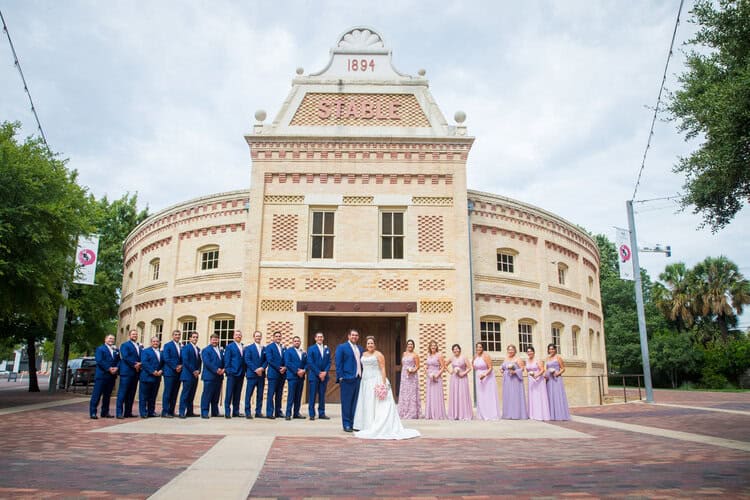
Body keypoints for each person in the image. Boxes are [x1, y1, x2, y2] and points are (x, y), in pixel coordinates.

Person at [353, 336, 420, 440]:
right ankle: (367, 424)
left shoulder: (379, 355)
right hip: (365, 381)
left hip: (376, 380)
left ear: (375, 345)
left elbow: (383, 368)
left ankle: (376, 424)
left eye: (372, 343)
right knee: (367, 403)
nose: (370, 345)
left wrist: (383, 384)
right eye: (368, 343)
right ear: (366, 345)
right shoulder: (364, 354)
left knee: (377, 404)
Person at [335, 328, 363, 432]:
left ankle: (353, 423)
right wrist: (341, 377)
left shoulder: (360, 348)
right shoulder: (342, 347)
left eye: (356, 335)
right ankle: (346, 424)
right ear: (349, 336)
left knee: (356, 403)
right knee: (346, 403)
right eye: (353, 335)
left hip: (358, 379)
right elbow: (338, 363)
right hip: (346, 379)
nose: (354, 337)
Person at [89, 334, 119, 419]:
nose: (111, 340)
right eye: (110, 338)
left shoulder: (116, 350)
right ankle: (93, 412)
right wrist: (109, 368)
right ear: (105, 339)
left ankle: (105, 412)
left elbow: (118, 360)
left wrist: (116, 368)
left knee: (107, 395)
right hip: (102, 375)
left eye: (113, 339)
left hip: (112, 376)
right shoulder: (100, 349)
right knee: (97, 395)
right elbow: (99, 361)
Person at [115, 329, 141, 419]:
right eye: (133, 334)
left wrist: (140, 364)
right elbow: (125, 357)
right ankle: (119, 413)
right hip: (126, 372)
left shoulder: (138, 346)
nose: (135, 335)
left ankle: (128, 412)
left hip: (136, 373)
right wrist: (135, 364)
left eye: (136, 334)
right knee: (122, 393)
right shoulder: (125, 345)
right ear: (129, 335)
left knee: (131, 393)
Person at [306, 331, 331, 420]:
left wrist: (325, 372)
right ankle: (312, 414)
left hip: (324, 376)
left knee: (322, 395)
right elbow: (310, 362)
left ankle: (322, 413)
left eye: (321, 337)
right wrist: (319, 373)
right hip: (314, 376)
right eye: (318, 337)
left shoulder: (327, 349)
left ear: (323, 338)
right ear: (315, 338)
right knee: (312, 395)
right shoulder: (311, 348)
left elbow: (329, 362)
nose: (320, 338)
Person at [200, 333, 225, 418]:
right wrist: (216, 369)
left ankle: (215, 412)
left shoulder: (221, 350)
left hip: (219, 377)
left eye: (216, 339)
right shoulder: (206, 350)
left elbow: (223, 361)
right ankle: (204, 412)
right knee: (207, 395)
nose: (215, 341)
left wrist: (223, 369)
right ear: (210, 340)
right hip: (209, 376)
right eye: (213, 339)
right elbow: (207, 362)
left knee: (216, 396)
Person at [500, 344, 528, 420]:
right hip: (507, 380)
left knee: (514, 396)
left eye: (512, 349)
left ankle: (516, 414)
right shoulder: (506, 359)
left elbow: (522, 369)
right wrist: (501, 369)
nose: (510, 351)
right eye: (509, 349)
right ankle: (508, 414)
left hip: (515, 380)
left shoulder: (518, 359)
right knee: (508, 395)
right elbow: (502, 367)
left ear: (515, 351)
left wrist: (515, 372)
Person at [473, 342, 500, 420]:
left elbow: (490, 368)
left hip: (487, 377)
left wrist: (484, 375)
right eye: (477, 347)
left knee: (487, 394)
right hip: (478, 377)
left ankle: (490, 413)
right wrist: (478, 372)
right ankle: (482, 413)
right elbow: (474, 366)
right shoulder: (475, 356)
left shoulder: (486, 356)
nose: (479, 349)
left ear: (483, 348)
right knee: (480, 395)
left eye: (480, 347)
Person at [138, 336, 163, 418]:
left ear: (159, 343)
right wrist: (153, 371)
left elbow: (163, 363)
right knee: (144, 396)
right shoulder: (145, 351)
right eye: (154, 341)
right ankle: (143, 412)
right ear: (151, 342)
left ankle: (151, 412)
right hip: (146, 377)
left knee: (153, 396)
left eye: (157, 341)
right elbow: (144, 363)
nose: (155, 343)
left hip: (157, 378)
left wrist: (161, 371)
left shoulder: (161, 352)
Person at [243, 330, 266, 419]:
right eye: (256, 336)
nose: (258, 337)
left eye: (259, 336)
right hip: (252, 374)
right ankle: (248, 412)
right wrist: (256, 369)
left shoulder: (264, 348)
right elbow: (247, 360)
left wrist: (262, 368)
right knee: (249, 394)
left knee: (260, 394)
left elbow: (266, 360)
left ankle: (258, 412)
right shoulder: (249, 348)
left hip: (261, 375)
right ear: (254, 337)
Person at [178, 331, 201, 418]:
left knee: (192, 394)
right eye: (193, 337)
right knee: (185, 394)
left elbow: (199, 362)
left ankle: (190, 412)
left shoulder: (198, 349)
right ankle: (181, 412)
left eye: (196, 337)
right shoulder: (186, 348)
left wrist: (198, 370)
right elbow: (185, 361)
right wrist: (193, 371)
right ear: (190, 338)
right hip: (187, 375)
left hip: (195, 375)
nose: (195, 338)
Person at [283, 335, 307, 420]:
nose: (297, 342)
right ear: (293, 342)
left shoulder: (303, 352)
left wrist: (304, 370)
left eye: (298, 341)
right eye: (295, 341)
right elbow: (288, 363)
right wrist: (297, 371)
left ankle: (296, 413)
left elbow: (306, 362)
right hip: (292, 376)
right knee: (291, 396)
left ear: (300, 342)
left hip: (301, 377)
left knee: (298, 396)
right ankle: (288, 414)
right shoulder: (288, 351)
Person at [161, 329, 183, 418]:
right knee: (168, 392)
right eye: (176, 334)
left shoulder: (181, 346)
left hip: (178, 373)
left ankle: (171, 411)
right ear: (172, 336)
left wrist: (181, 366)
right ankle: (165, 411)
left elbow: (182, 358)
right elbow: (166, 358)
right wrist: (175, 367)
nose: (177, 336)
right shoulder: (167, 345)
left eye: (179, 335)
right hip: (169, 373)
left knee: (175, 393)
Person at [545, 343, 570, 420]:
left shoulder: (558, 358)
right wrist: (546, 374)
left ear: (555, 349)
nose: (551, 350)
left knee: (557, 396)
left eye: (552, 349)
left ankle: (560, 414)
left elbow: (563, 368)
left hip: (556, 379)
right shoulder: (547, 359)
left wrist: (557, 373)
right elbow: (546, 369)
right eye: (550, 349)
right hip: (549, 380)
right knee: (550, 395)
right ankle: (552, 414)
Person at [264, 331, 286, 419]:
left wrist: (285, 367)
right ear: (273, 338)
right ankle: (269, 412)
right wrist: (279, 368)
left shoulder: (283, 348)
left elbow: (286, 359)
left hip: (282, 374)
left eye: (279, 336)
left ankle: (278, 411)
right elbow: (270, 360)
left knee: (279, 394)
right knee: (271, 394)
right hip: (273, 374)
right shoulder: (269, 347)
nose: (278, 338)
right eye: (276, 336)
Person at [447, 344, 473, 420]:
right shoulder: (452, 358)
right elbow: (445, 365)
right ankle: (455, 414)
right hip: (454, 378)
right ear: (452, 351)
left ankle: (463, 414)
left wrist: (463, 373)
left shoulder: (464, 357)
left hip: (462, 378)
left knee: (462, 395)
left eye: (457, 349)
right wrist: (450, 371)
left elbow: (469, 368)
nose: (456, 350)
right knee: (455, 394)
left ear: (460, 349)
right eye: (454, 349)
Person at [223, 330, 245, 418]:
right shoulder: (229, 346)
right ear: (233, 336)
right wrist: (228, 371)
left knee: (237, 393)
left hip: (241, 373)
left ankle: (236, 411)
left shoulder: (243, 346)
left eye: (240, 335)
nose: (238, 336)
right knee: (229, 393)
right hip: (232, 373)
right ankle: (227, 412)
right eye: (237, 335)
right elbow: (227, 360)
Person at [424, 340, 447, 420]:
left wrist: (437, 375)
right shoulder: (428, 355)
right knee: (430, 395)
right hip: (429, 377)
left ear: (437, 347)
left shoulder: (439, 355)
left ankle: (438, 414)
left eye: (434, 345)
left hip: (437, 377)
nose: (433, 347)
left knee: (436, 395)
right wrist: (428, 374)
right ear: (429, 347)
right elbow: (426, 367)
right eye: (431, 345)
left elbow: (443, 367)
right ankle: (430, 414)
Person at [397, 339, 420, 419]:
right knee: (404, 392)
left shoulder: (415, 355)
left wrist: (412, 370)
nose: (410, 345)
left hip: (412, 376)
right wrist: (406, 370)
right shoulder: (404, 354)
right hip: (404, 375)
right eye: (409, 344)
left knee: (411, 393)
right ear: (407, 345)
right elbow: (403, 364)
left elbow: (417, 366)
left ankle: (412, 412)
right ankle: (403, 411)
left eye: (411, 344)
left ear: (413, 346)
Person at [525, 346, 550, 421]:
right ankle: (532, 414)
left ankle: (540, 414)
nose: (529, 353)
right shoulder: (527, 360)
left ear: (534, 352)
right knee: (532, 396)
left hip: (538, 379)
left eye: (531, 351)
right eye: (528, 351)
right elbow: (527, 369)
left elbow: (542, 370)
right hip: (530, 380)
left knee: (538, 396)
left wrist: (537, 375)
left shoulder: (538, 360)